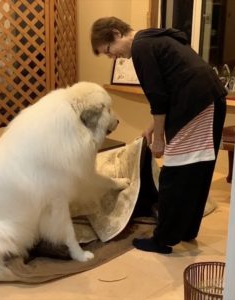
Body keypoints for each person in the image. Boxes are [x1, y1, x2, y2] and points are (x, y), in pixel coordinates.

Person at [90, 17, 227, 254]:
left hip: (196, 104)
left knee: (173, 173)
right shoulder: (154, 39)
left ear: (116, 33)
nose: (112, 57)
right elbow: (172, 85)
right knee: (198, 170)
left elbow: (158, 97)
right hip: (211, 99)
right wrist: (153, 127)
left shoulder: (141, 48)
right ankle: (186, 230)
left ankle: (163, 239)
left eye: (109, 50)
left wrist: (160, 139)